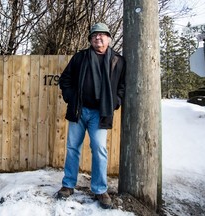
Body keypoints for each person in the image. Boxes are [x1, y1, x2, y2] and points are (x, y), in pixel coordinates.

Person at [57, 22, 126, 209]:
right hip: (79, 110)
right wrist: (71, 98)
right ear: (90, 39)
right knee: (72, 148)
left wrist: (116, 101)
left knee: (99, 149)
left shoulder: (118, 61)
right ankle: (68, 185)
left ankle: (99, 189)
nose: (98, 37)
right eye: (95, 35)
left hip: (100, 113)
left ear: (109, 38)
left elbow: (122, 86)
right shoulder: (80, 58)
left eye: (102, 35)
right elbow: (65, 79)